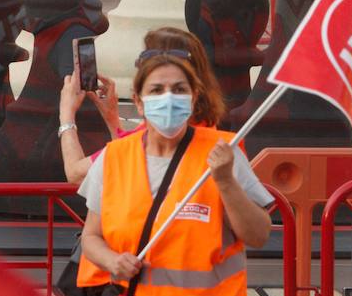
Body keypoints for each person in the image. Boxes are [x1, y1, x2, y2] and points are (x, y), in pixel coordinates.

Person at [76, 52, 272, 296]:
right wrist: (112, 261)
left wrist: (225, 181)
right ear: (138, 101)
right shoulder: (113, 158)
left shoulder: (224, 152)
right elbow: (91, 237)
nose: (169, 99)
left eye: (179, 89)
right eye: (157, 90)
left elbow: (258, 234)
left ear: (194, 98)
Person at [58, 27, 228, 185]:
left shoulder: (153, 134)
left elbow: (76, 174)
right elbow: (126, 159)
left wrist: (66, 115)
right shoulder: (206, 127)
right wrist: (112, 119)